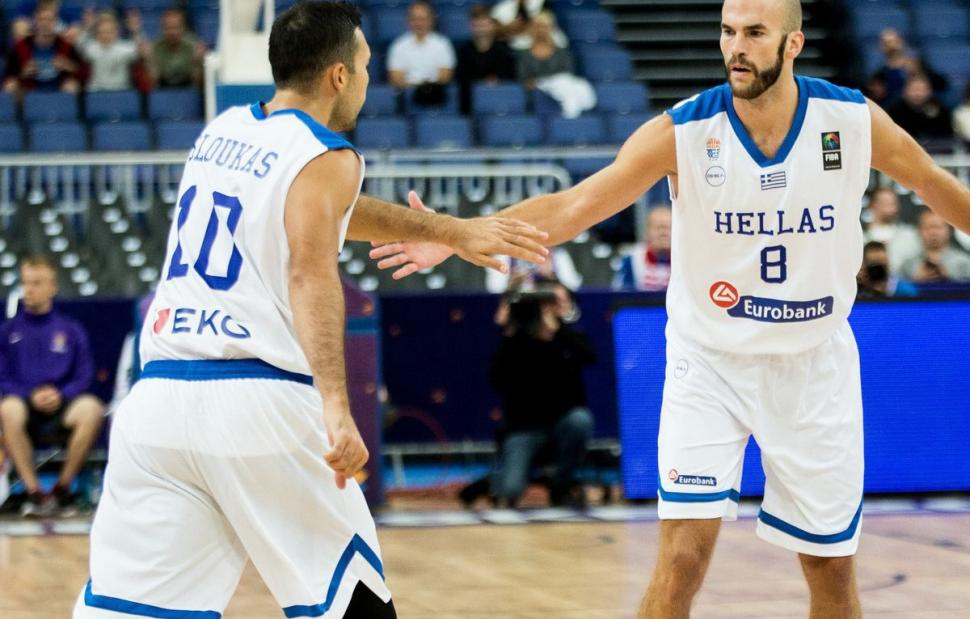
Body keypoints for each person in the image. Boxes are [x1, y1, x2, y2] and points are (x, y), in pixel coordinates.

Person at [370, 0, 970, 616]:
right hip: (709, 363)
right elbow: (574, 206)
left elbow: (931, 182)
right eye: (728, 32)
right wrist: (454, 234)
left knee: (831, 570)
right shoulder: (683, 131)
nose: (736, 47)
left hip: (813, 364)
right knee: (682, 558)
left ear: (793, 44)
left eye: (755, 33)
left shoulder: (850, 119)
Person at [73, 3, 547, 618]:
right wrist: (336, 405)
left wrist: (449, 230)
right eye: (365, 67)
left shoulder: (224, 130)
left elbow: (320, 208)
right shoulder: (328, 155)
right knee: (353, 603)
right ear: (339, 75)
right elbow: (310, 271)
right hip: (256, 400)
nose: (368, 80)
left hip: (157, 405)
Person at [0, 255, 104, 518]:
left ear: (52, 287)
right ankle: (33, 492)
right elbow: (3, 377)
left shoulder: (71, 330)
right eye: (25, 283)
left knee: (92, 409)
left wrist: (61, 394)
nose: (29, 290)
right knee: (8, 409)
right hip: (24, 407)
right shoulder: (8, 331)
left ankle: (62, 490)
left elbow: (84, 376)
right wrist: (30, 395)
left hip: (62, 406)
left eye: (36, 283)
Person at [489, 281, 595, 508]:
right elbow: (496, 380)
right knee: (510, 489)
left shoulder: (568, 338)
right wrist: (507, 331)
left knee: (580, 420)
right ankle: (498, 480)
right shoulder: (517, 341)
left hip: (562, 425)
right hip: (524, 429)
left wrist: (557, 331)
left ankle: (561, 485)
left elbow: (589, 357)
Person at [2, 2, 84, 94]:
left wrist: (68, 66)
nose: (45, 23)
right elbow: (8, 75)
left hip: (59, 88)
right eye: (41, 19)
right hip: (29, 89)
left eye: (49, 20)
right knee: (10, 85)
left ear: (55, 22)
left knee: (72, 86)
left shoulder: (65, 45)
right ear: (35, 20)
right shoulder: (22, 46)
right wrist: (22, 73)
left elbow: (84, 73)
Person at [455, 4, 516, 114]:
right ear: (471, 26)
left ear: (492, 25)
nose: (481, 29)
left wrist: (497, 80)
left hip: (500, 100)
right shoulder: (464, 51)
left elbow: (510, 77)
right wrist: (481, 83)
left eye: (484, 25)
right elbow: (462, 78)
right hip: (470, 104)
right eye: (477, 25)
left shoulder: (504, 50)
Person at [386, 1, 455, 92]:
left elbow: (445, 76)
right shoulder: (398, 46)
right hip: (407, 94)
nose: (418, 23)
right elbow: (396, 78)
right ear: (408, 21)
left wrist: (426, 87)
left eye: (422, 19)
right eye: (414, 19)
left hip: (436, 93)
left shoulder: (443, 44)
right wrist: (419, 87)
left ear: (431, 20)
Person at [75, 10, 146, 92]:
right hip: (96, 91)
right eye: (102, 32)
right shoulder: (92, 48)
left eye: (109, 32)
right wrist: (87, 28)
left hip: (121, 90)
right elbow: (79, 48)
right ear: (97, 33)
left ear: (116, 32)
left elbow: (142, 51)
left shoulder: (125, 48)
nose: (105, 35)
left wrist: (136, 32)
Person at [899, 210, 970, 284]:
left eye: (937, 227)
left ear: (949, 230)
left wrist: (949, 280)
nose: (933, 232)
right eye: (927, 228)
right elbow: (897, 288)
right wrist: (916, 282)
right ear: (919, 231)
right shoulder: (908, 265)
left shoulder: (964, 262)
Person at [613, 205, 672, 291]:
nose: (664, 233)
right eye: (659, 227)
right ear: (647, 231)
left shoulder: (684, 260)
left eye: (669, 228)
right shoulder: (632, 260)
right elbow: (621, 295)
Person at [863, 186, 921, 273]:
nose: (890, 207)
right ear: (872, 205)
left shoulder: (911, 236)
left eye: (893, 203)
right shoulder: (861, 237)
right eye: (884, 202)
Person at [888, 73, 954, 145]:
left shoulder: (940, 110)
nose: (918, 94)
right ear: (905, 91)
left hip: (936, 148)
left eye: (921, 90)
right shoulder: (894, 111)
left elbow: (948, 136)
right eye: (914, 90)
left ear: (929, 91)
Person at [148, 8, 205, 89]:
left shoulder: (193, 46)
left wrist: (198, 62)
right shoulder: (155, 48)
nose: (172, 32)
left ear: (183, 28)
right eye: (168, 28)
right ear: (162, 29)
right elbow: (153, 84)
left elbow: (196, 83)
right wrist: (148, 61)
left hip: (188, 90)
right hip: (163, 90)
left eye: (175, 28)